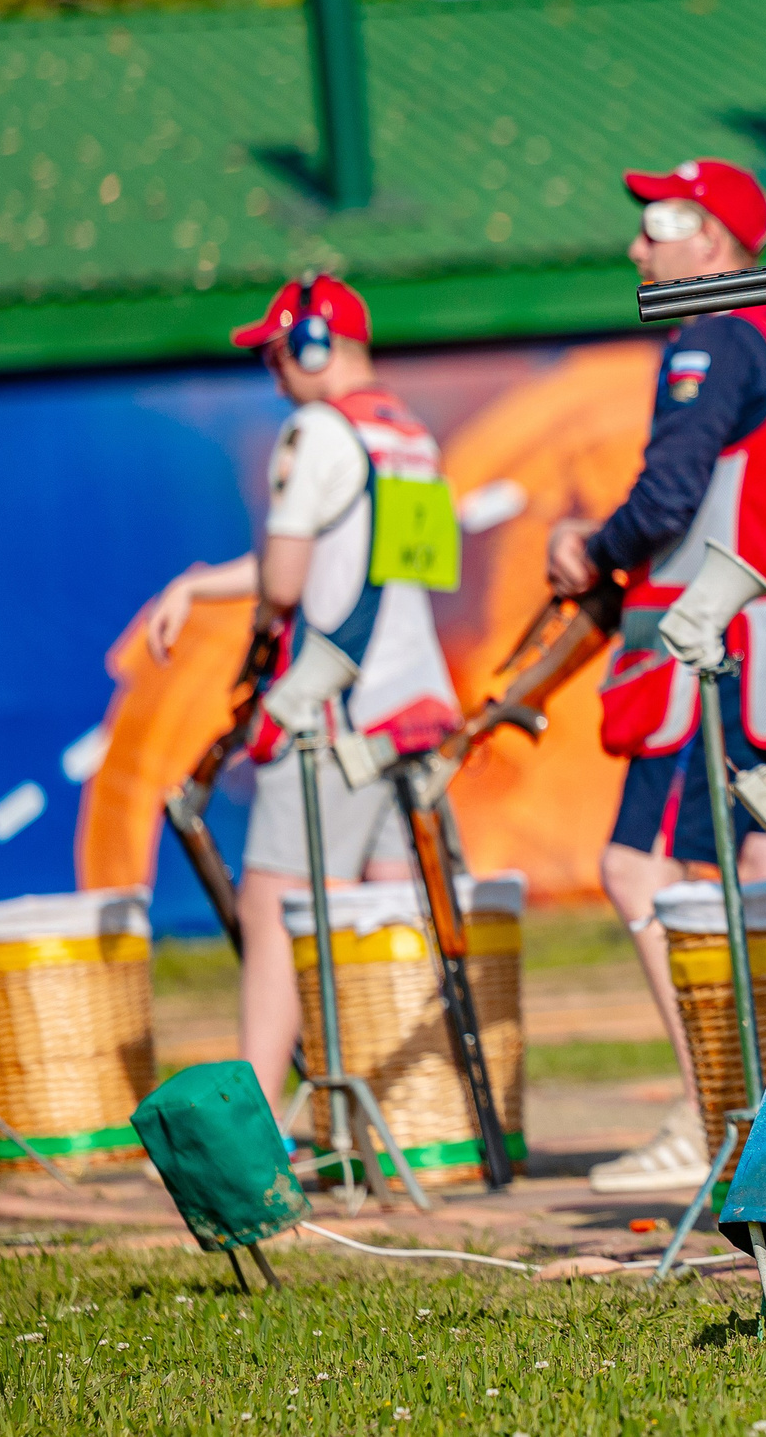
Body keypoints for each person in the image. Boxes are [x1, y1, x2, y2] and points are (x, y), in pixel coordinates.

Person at [547, 158, 766, 1195]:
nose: (639, 247)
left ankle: (712, 1108)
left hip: (713, 651)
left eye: (658, 227)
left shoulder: (714, 332)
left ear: (713, 240)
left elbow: (669, 495)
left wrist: (591, 546)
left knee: (642, 871)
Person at [145, 274, 464, 1119]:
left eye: (280, 351)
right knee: (389, 915)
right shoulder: (407, 433)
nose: (275, 371)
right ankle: (415, 1123)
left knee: (274, 910)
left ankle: (256, 1132)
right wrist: (203, 585)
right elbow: (375, 569)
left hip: (333, 709)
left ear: (317, 345)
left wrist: (228, 599)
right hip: (411, 704)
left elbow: (289, 583)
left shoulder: (315, 429)